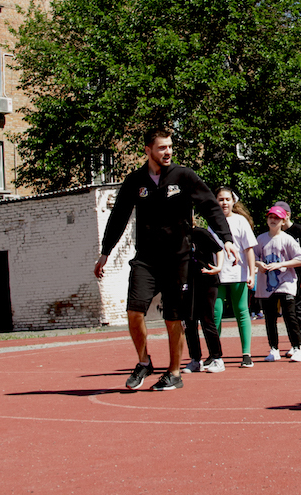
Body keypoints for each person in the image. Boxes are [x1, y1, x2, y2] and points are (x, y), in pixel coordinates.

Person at [94, 127, 233, 392]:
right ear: (148, 150)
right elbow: (119, 216)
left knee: (173, 318)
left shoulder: (184, 176)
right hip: (146, 258)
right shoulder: (135, 181)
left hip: (178, 258)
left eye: (170, 146)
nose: (167, 152)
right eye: (161, 147)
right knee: (134, 312)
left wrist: (226, 239)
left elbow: (209, 206)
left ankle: (174, 373)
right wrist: (105, 252)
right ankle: (144, 362)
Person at [212, 187, 257, 368]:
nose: (224, 202)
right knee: (216, 313)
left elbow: (249, 249)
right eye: (221, 199)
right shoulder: (212, 221)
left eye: (227, 199)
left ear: (233, 201)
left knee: (241, 312)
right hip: (217, 273)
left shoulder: (240, 221)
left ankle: (246, 354)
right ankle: (215, 354)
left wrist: (251, 273)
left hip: (238, 273)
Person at [255, 205, 301, 361]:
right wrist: (259, 265)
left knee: (290, 315)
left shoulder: (287, 239)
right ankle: (274, 349)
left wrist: (280, 265)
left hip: (286, 283)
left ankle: (297, 347)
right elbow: (253, 257)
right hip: (267, 285)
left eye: (277, 218)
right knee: (269, 318)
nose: (273, 220)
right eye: (270, 217)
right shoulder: (261, 239)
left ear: (283, 220)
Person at [183, 216, 225, 373]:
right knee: (189, 321)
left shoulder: (200, 233)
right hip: (188, 283)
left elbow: (219, 249)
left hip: (207, 280)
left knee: (207, 319)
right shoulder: (176, 237)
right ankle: (195, 359)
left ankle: (217, 358)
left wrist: (218, 267)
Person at [273, 201, 301, 359]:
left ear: (287, 215)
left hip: (300, 274)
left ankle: (300, 344)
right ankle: (295, 343)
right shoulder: (276, 233)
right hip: (284, 278)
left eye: (279, 215)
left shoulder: (298, 230)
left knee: (299, 310)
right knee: (288, 312)